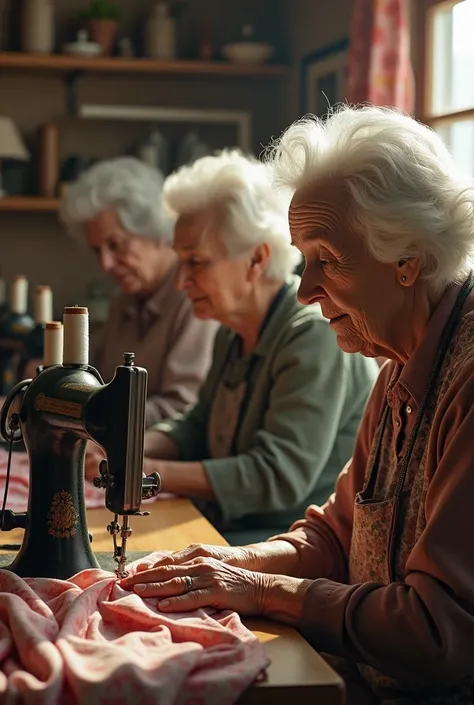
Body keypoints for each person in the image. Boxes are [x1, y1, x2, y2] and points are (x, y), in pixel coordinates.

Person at [122, 107, 474, 704]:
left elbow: (435, 634)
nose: (305, 289)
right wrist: (229, 561)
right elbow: (337, 535)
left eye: (327, 260)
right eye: (302, 258)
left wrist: (259, 589)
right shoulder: (398, 369)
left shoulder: (464, 381)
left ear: (407, 260)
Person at [142, 148, 379, 545]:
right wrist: (130, 444)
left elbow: (277, 475)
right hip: (231, 528)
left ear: (257, 258)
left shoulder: (314, 334)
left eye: (196, 262)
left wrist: (145, 473)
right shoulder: (231, 332)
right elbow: (199, 425)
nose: (180, 281)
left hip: (290, 544)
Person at [60, 157, 218, 459]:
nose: (105, 264)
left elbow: (182, 409)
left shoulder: (194, 301)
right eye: (97, 250)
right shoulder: (123, 302)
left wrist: (98, 419)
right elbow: (97, 379)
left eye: (116, 245)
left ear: (157, 232)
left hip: (159, 468)